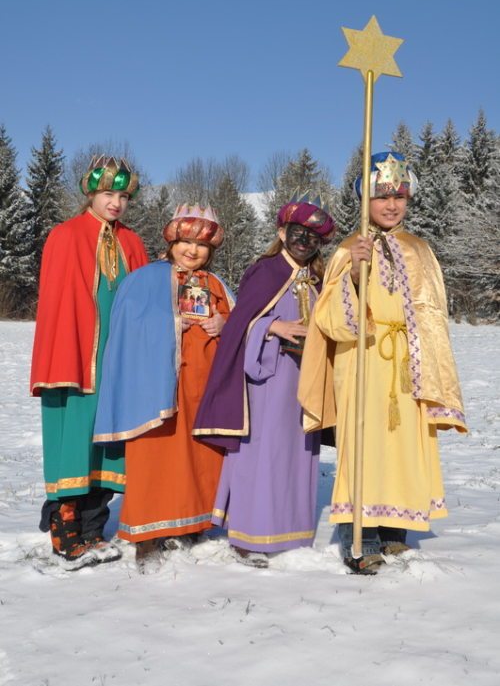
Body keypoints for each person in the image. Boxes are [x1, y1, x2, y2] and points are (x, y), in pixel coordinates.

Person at [299, 152, 467, 574]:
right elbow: (327, 318)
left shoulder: (420, 250)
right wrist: (355, 276)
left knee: (405, 444)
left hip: (407, 363)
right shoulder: (347, 249)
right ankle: (362, 533)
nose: (392, 205)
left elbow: (432, 314)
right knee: (365, 443)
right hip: (364, 358)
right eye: (382, 196)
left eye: (399, 197)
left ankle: (397, 531)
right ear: (364, 200)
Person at [193, 195, 336, 567]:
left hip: (303, 380)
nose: (304, 241)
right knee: (263, 454)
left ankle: (290, 528)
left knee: (297, 453)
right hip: (268, 378)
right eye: (297, 232)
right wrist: (274, 326)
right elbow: (242, 322)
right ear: (282, 232)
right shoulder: (267, 270)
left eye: (312, 237)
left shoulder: (316, 278)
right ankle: (247, 533)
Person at [93, 204, 234, 572]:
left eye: (201, 245)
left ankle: (192, 521)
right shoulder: (146, 279)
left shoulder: (215, 283)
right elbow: (128, 328)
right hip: (158, 388)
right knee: (158, 455)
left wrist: (224, 322)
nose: (193, 250)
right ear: (171, 241)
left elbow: (238, 323)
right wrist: (173, 323)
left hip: (203, 387)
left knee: (199, 456)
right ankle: (148, 533)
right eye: (185, 241)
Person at [30, 155, 148, 568]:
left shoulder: (132, 242)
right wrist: (68, 350)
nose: (116, 203)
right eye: (107, 194)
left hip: (116, 359)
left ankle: (94, 527)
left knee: (108, 442)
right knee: (74, 437)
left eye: (122, 196)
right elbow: (58, 305)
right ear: (91, 194)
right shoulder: (66, 235)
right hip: (76, 357)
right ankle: (65, 528)